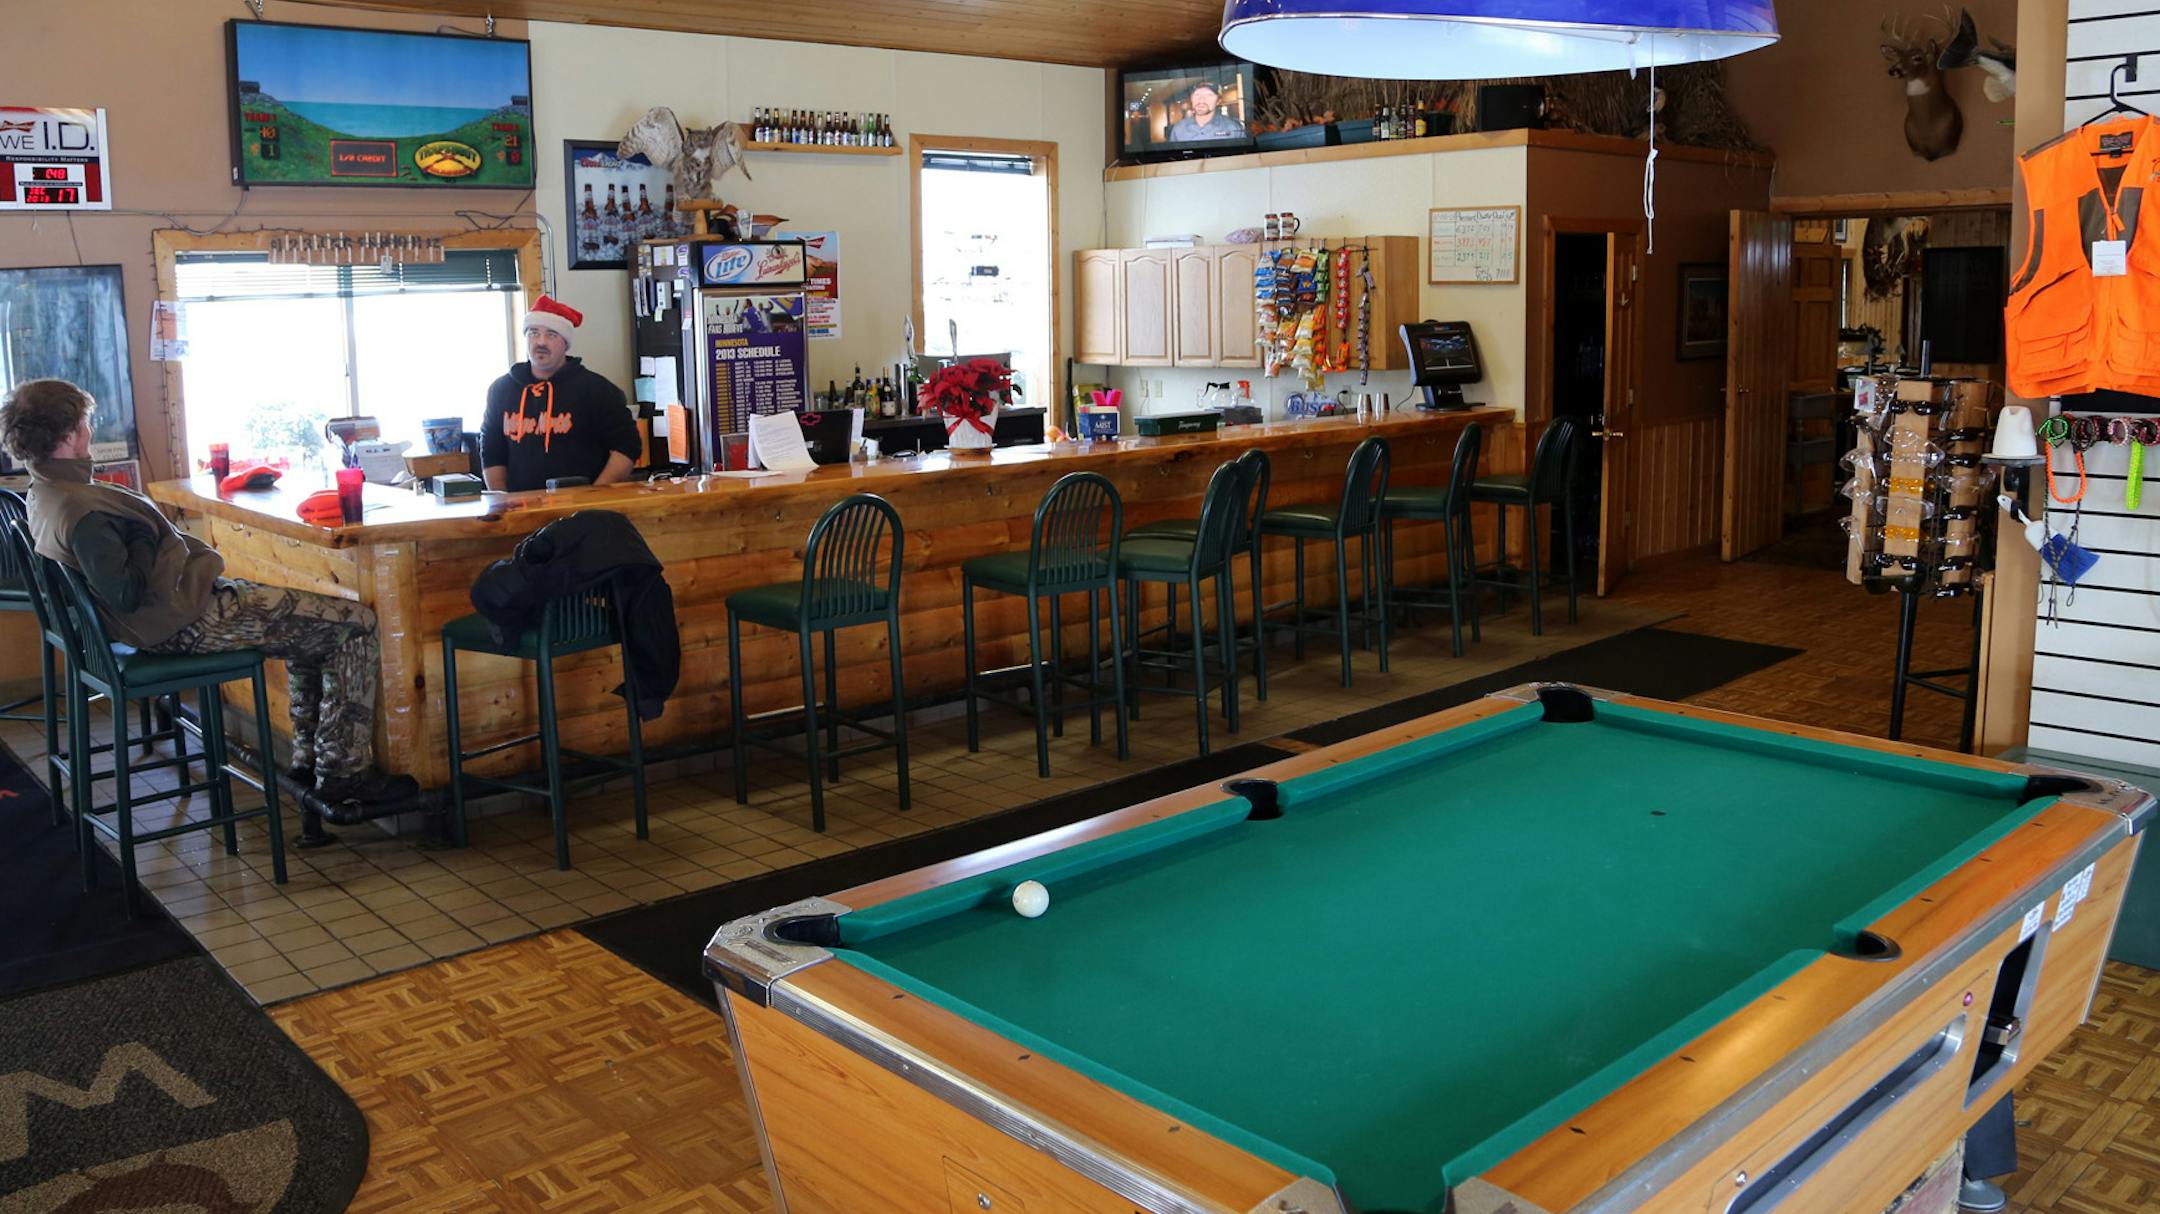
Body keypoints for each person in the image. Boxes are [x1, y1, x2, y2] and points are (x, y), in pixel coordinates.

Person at [0, 379, 417, 824]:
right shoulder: (83, 510)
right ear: (68, 436)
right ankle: (344, 775)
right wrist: (143, 540)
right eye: (85, 424)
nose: (89, 431)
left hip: (173, 612)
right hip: (185, 620)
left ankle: (311, 759)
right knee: (355, 623)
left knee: (314, 627)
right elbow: (124, 592)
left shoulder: (45, 491)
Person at [481, 295, 642, 492]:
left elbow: (628, 447)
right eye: (533, 333)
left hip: (581, 512)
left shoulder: (597, 390)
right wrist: (503, 502)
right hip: (521, 511)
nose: (540, 342)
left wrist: (594, 496)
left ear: (565, 343)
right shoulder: (501, 390)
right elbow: (491, 451)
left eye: (551, 335)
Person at [1167, 82, 1248, 143]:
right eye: (1197, 94)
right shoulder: (1179, 129)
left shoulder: (1233, 128)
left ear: (1218, 101)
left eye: (1209, 95)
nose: (1201, 100)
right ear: (1191, 99)